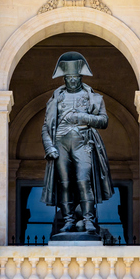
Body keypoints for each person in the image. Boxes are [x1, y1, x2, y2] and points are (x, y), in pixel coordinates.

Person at [40, 52, 113, 238]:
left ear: (80, 78)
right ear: (64, 78)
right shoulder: (56, 98)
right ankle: (68, 220)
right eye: (69, 78)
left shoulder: (93, 97)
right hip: (60, 143)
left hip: (83, 142)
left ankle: (88, 219)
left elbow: (103, 121)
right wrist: (50, 147)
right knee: (64, 184)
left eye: (75, 78)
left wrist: (81, 117)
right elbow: (46, 127)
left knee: (83, 181)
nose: (72, 81)